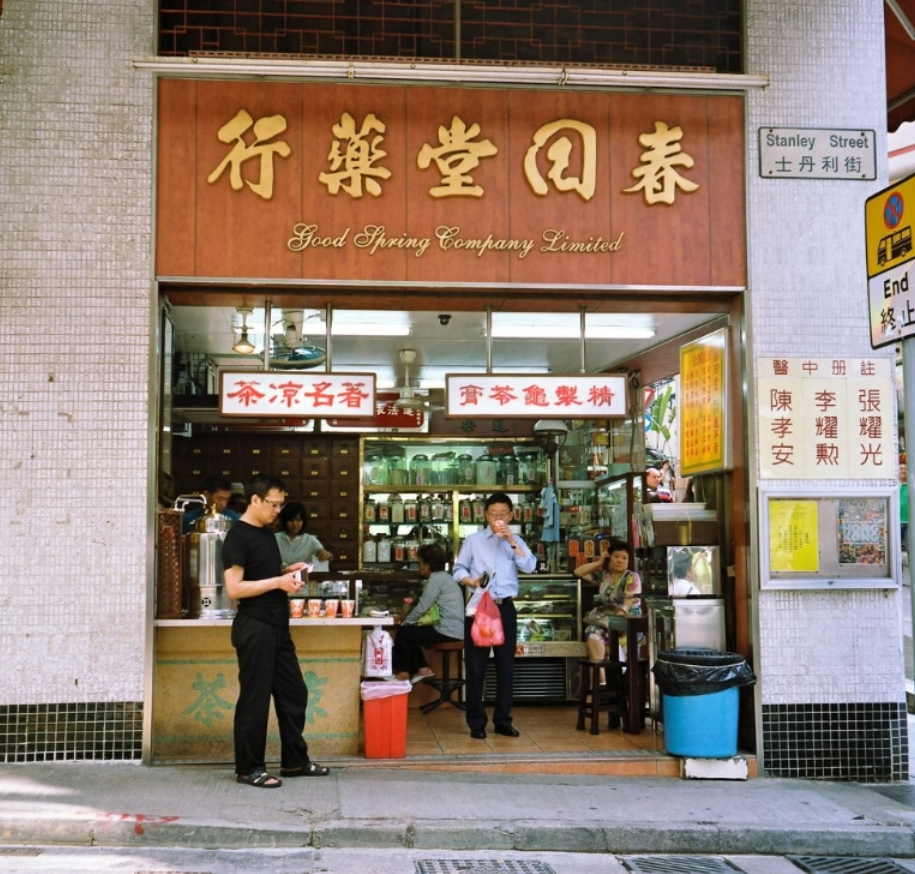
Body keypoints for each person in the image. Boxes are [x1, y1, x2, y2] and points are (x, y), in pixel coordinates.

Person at [222, 474, 329, 788]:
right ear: (255, 500)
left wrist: (287, 572)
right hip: (255, 626)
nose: (278, 511)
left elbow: (265, 575)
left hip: (277, 626)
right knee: (255, 700)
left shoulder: (267, 534)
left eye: (281, 505)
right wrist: (278, 583)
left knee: (294, 692)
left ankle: (295, 761)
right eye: (273, 504)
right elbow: (234, 588)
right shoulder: (238, 537)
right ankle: (249, 768)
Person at [452, 491, 536, 739]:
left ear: (511, 515)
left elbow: (530, 567)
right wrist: (471, 580)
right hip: (480, 606)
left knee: (505, 666)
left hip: (505, 607)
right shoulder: (474, 540)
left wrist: (512, 541)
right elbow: (458, 568)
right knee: (476, 667)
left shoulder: (517, 540)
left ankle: (503, 720)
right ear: (485, 515)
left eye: (503, 514)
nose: (498, 518)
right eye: (493, 514)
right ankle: (476, 722)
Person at [392, 543, 465, 684]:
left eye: (420, 563)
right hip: (455, 629)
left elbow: (422, 607)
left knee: (404, 632)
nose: (419, 566)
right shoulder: (445, 577)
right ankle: (423, 668)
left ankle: (403, 673)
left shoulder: (436, 579)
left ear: (428, 564)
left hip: (447, 630)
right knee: (410, 632)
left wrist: (406, 622)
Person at [574, 539, 642, 676]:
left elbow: (628, 602)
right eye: (616, 556)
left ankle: (620, 682)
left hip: (628, 623)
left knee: (628, 666)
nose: (620, 560)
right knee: (592, 633)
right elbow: (578, 572)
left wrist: (617, 620)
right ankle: (601, 681)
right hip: (608, 622)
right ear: (609, 557)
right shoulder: (604, 576)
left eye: (624, 558)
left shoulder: (632, 577)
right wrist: (599, 562)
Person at [275, 502, 333, 568]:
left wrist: (327, 555)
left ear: (303, 521)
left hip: (302, 577)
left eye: (298, 520)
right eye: (291, 520)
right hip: (280, 576)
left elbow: (325, 554)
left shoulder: (310, 540)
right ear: (285, 521)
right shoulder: (275, 538)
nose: (295, 524)